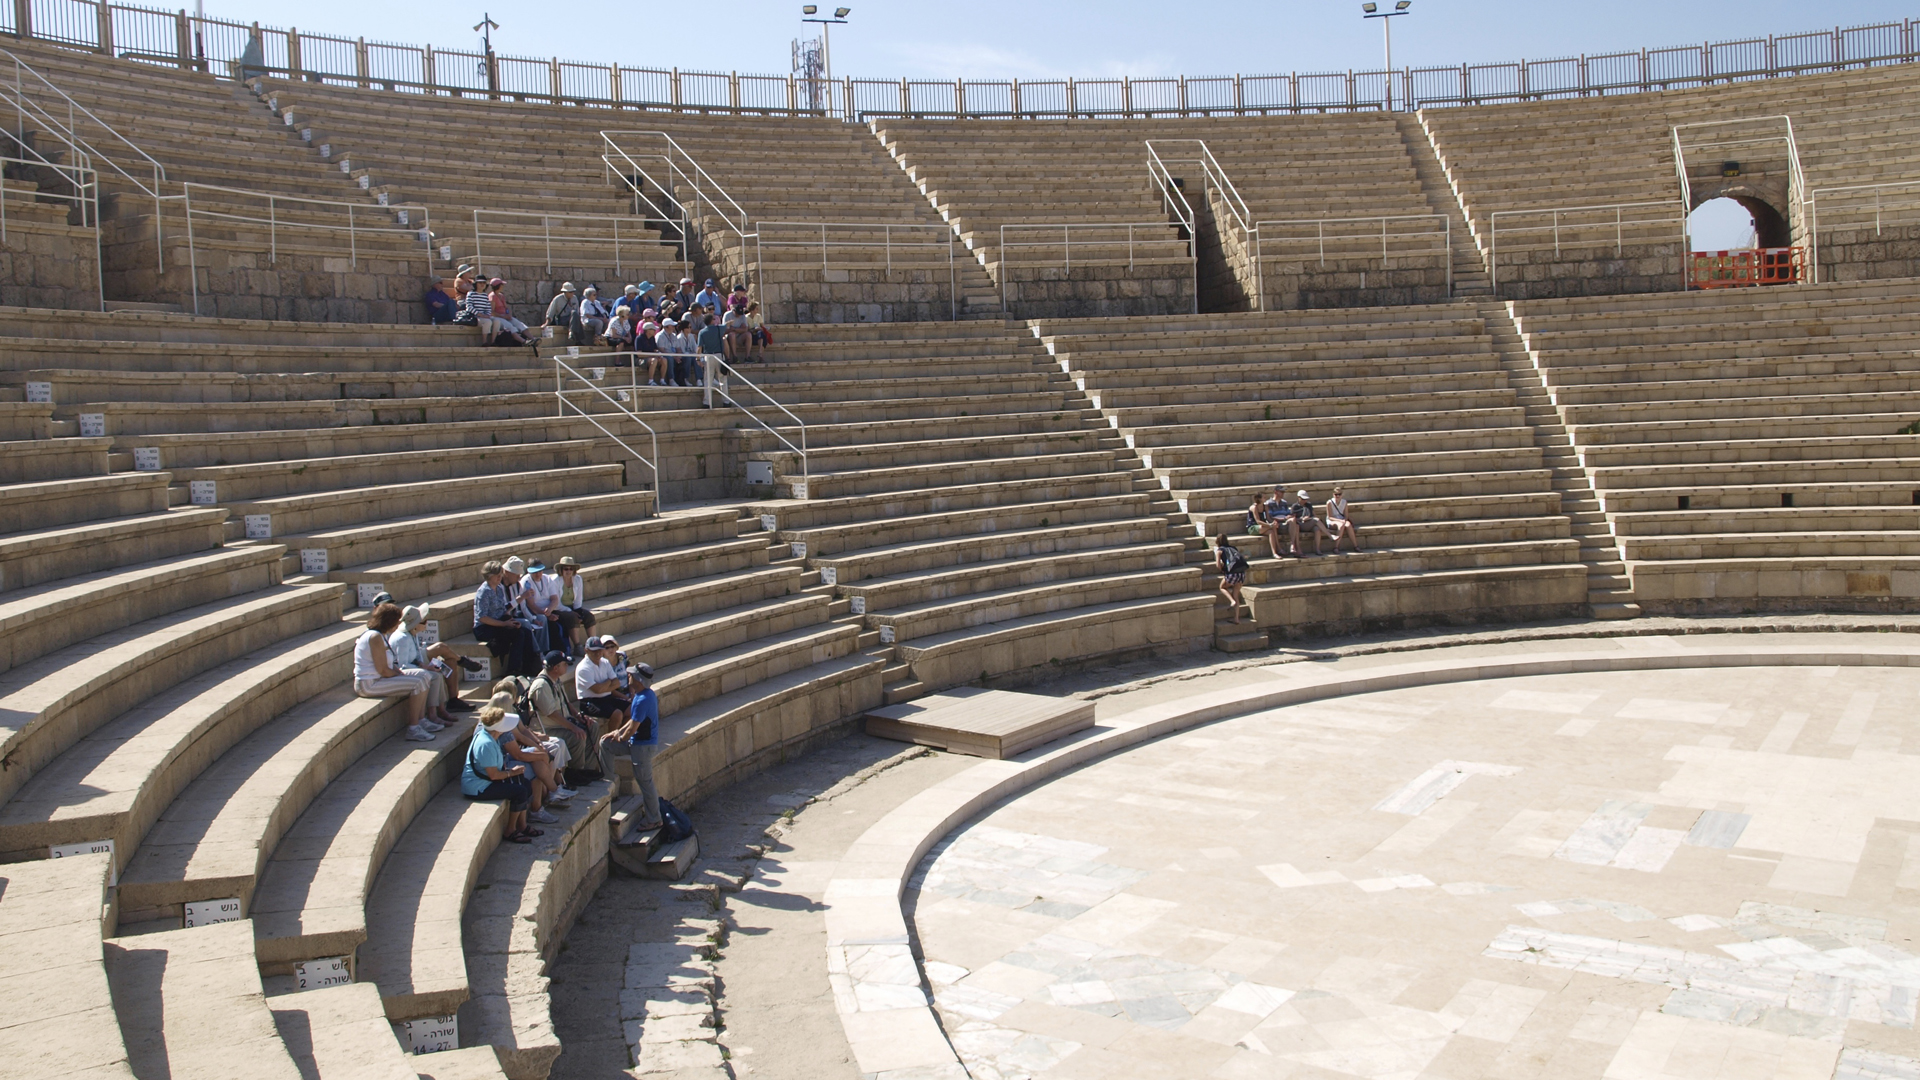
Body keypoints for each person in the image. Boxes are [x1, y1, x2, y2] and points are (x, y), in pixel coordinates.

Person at [486, 684, 572, 822]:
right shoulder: (502, 729)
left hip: (503, 759)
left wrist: (539, 748)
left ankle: (553, 791)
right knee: (535, 768)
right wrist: (543, 755)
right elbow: (518, 755)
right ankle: (541, 804)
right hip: (501, 765)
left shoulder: (491, 723)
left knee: (538, 758)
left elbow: (523, 733)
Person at [354, 602, 437, 742]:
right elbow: (383, 670)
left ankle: (421, 720)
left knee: (425, 675)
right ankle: (413, 728)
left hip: (377, 680)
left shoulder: (380, 635)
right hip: (368, 684)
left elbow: (388, 666)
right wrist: (401, 675)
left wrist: (402, 673)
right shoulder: (374, 637)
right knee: (418, 682)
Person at [598, 659, 662, 830]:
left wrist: (622, 736)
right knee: (605, 744)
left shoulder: (643, 700)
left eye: (632, 675)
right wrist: (615, 733)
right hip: (638, 744)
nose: (628, 676)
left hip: (642, 747)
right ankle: (609, 784)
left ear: (639, 680)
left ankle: (654, 819)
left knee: (646, 783)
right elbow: (633, 721)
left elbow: (633, 728)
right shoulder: (643, 695)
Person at [461, 704, 538, 843]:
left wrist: (514, 773)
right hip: (478, 788)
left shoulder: (491, 736)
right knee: (519, 791)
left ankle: (522, 825)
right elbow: (494, 775)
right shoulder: (486, 744)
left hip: (486, 781)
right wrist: (512, 772)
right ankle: (510, 831)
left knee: (525, 783)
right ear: (498, 728)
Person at [526, 650, 597, 781]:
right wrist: (573, 727)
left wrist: (578, 716)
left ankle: (588, 768)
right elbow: (552, 714)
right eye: (565, 664)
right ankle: (575, 772)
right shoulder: (541, 686)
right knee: (576, 736)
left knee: (592, 726)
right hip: (547, 729)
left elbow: (566, 702)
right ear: (555, 668)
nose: (567, 667)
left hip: (561, 723)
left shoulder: (556, 680)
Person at [387, 605, 457, 728]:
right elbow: (402, 665)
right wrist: (424, 668)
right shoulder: (402, 638)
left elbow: (416, 657)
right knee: (433, 677)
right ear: (415, 624)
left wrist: (426, 665)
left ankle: (441, 710)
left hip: (414, 667)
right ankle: (432, 715)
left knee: (438, 674)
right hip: (402, 671)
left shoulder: (413, 634)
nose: (426, 623)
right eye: (423, 622)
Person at [474, 560, 537, 675]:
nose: (499, 577)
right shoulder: (484, 592)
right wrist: (504, 624)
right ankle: (513, 669)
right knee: (518, 634)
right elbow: (482, 617)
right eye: (497, 575)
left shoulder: (498, 588)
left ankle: (529, 667)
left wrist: (510, 621)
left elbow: (502, 610)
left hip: (499, 622)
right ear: (489, 576)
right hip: (484, 628)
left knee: (525, 631)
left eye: (500, 574)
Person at [575, 635, 630, 729]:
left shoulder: (605, 662)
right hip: (590, 702)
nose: (597, 653)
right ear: (586, 650)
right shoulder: (583, 668)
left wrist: (603, 686)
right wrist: (609, 681)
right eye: (594, 651)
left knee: (632, 709)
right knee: (617, 714)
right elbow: (597, 690)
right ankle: (610, 741)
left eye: (600, 650)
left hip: (606, 698)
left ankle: (620, 735)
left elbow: (616, 683)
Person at [553, 556, 596, 657]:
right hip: (558, 609)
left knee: (589, 616)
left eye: (571, 569)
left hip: (572, 607)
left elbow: (578, 599)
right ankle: (577, 646)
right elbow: (556, 603)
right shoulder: (555, 581)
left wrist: (579, 612)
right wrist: (571, 612)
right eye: (566, 569)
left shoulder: (578, 579)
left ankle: (593, 644)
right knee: (572, 618)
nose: (568, 571)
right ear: (561, 570)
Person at [486, 279, 533, 346]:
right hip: (497, 317)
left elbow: (506, 307)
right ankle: (524, 342)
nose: (503, 286)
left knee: (519, 324)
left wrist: (508, 314)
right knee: (510, 327)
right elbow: (492, 312)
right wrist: (503, 316)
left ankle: (533, 339)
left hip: (505, 316)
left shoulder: (501, 296)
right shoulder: (492, 296)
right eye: (502, 285)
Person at [1215, 533, 1249, 624]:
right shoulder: (1234, 548)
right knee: (1236, 594)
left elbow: (1218, 565)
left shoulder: (1219, 551)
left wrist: (1222, 570)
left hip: (1231, 574)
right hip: (1241, 574)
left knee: (1222, 587)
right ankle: (1236, 619)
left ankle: (1231, 601)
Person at [1289, 489, 1329, 556]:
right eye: (1303, 499)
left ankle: (1317, 549)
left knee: (1317, 529)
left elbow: (1314, 515)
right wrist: (1301, 519)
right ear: (1299, 498)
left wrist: (1308, 518)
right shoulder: (1295, 506)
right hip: (1300, 524)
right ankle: (1329, 535)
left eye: (1306, 499)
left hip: (1309, 523)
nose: (1305, 501)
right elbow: (1293, 519)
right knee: (1315, 520)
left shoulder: (1309, 505)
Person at [1247, 491, 1283, 561]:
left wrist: (1273, 523)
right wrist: (1270, 525)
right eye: (1264, 497)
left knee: (1272, 531)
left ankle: (1275, 552)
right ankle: (1279, 548)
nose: (1266, 498)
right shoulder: (1254, 507)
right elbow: (1258, 521)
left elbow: (1268, 518)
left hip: (1263, 527)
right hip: (1253, 527)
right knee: (1271, 527)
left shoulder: (1265, 506)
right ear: (1259, 499)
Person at [1325, 486, 1361, 553]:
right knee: (1341, 525)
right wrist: (1340, 521)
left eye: (1339, 494)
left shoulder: (1344, 502)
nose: (1337, 496)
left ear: (1342, 495)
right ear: (1333, 494)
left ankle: (1355, 546)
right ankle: (1336, 547)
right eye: (1336, 494)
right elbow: (1330, 517)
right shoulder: (1329, 503)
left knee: (1348, 525)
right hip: (1332, 520)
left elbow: (1346, 515)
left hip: (1341, 519)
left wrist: (1344, 520)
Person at [463, 280, 496, 345]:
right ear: (476, 284)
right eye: (480, 283)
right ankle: (484, 342)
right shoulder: (471, 294)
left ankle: (493, 342)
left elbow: (488, 307)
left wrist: (487, 315)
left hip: (484, 316)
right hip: (475, 317)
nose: (482, 284)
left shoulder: (485, 295)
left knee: (497, 321)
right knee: (488, 322)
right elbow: (469, 307)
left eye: (484, 283)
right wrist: (480, 314)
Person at [695, 313, 725, 383]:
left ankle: (707, 394)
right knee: (722, 378)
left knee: (708, 378)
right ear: (711, 321)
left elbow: (699, 347)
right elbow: (726, 326)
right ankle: (724, 393)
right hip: (719, 355)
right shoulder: (719, 329)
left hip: (708, 356)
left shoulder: (702, 332)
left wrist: (698, 359)